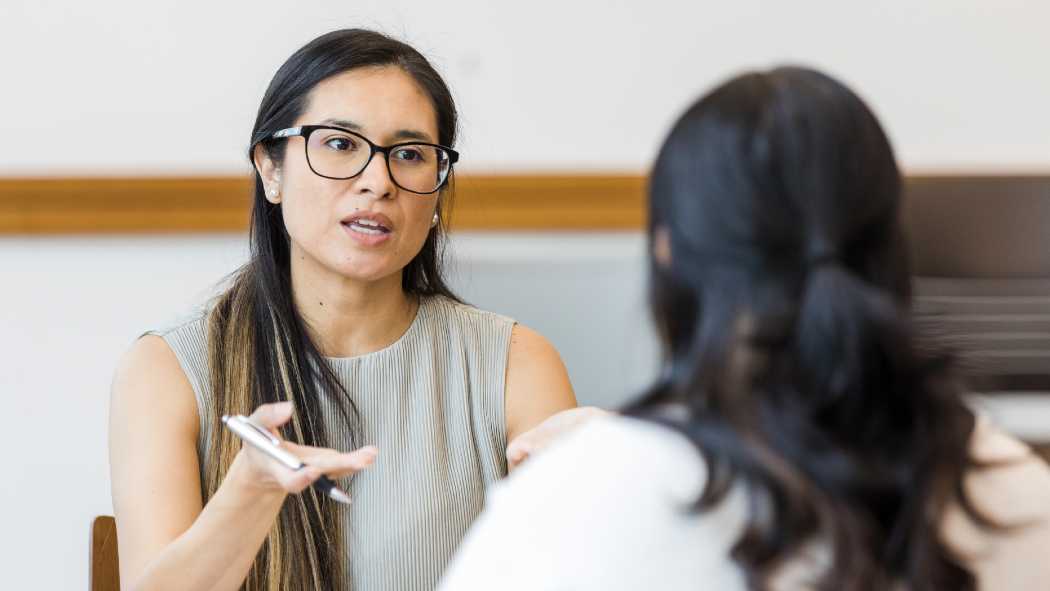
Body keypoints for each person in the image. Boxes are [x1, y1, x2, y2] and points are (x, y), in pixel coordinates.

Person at [438, 67, 1050, 590]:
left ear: (667, 252)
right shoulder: (1018, 496)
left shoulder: (572, 507)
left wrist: (617, 455)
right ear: (891, 247)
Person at [109, 29, 582, 591]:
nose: (378, 182)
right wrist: (249, 498)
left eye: (409, 155)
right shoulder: (165, 370)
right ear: (271, 168)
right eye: (339, 144)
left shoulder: (517, 363)